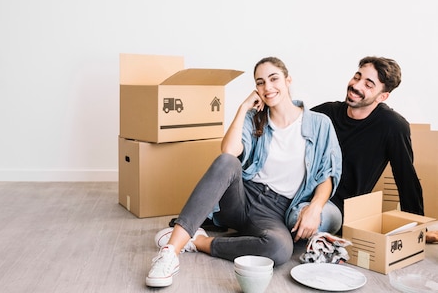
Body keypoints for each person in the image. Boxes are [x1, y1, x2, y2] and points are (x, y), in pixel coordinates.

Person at [145, 57, 343, 288]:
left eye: (274, 78)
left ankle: (198, 241)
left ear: (288, 81)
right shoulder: (254, 118)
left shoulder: (320, 124)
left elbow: (326, 174)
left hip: (275, 212)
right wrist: (243, 108)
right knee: (227, 162)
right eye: (260, 82)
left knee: (280, 249)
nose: (267, 87)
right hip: (241, 199)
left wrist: (315, 207)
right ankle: (171, 251)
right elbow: (229, 150)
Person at [311, 57, 424, 220]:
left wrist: (418, 226)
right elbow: (287, 124)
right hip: (303, 195)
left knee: (297, 221)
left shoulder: (392, 126)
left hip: (338, 208)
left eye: (368, 85)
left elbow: (406, 178)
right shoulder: (326, 113)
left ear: (382, 97)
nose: (356, 86)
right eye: (357, 77)